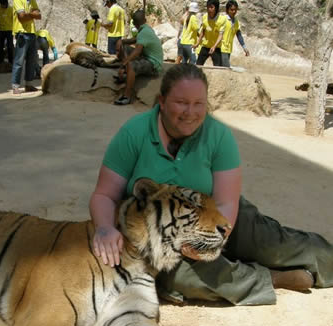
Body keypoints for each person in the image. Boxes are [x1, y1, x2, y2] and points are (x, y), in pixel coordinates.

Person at [89, 63, 333, 306]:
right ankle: (272, 279)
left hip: (218, 216)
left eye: (199, 104)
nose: (190, 112)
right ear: (162, 101)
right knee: (182, 278)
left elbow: (227, 202)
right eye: (181, 102)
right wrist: (105, 229)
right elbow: (104, 195)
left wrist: (213, 241)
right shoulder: (135, 132)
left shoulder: (218, 136)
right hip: (162, 234)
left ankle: (325, 260)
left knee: (275, 245)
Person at [113, 10, 163, 106]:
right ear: (145, 20)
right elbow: (134, 40)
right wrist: (121, 41)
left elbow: (137, 51)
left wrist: (124, 65)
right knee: (125, 48)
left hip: (154, 64)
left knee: (131, 65)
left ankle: (126, 96)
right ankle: (127, 74)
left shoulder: (143, 32)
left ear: (135, 23)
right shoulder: (146, 29)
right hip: (148, 58)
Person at [11, 0, 42, 95]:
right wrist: (33, 14)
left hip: (32, 33)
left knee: (31, 60)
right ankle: (15, 86)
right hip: (22, 34)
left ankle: (28, 84)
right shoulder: (17, 0)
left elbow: (39, 16)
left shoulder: (32, 1)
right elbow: (22, 17)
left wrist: (28, 14)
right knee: (19, 61)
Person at [194, 0, 225, 66]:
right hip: (206, 46)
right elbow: (203, 31)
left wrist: (214, 46)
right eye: (208, 7)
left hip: (216, 48)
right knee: (198, 65)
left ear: (216, 8)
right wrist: (197, 43)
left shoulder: (222, 19)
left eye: (211, 7)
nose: (209, 9)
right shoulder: (205, 17)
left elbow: (221, 35)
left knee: (218, 68)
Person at [220, 0, 249, 68]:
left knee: (222, 68)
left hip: (229, 48)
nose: (234, 12)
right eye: (231, 10)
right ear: (227, 10)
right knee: (226, 67)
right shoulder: (223, 19)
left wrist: (244, 48)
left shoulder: (236, 22)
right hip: (221, 47)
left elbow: (239, 35)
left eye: (235, 10)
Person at [0, 0, 14, 64]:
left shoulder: (11, 9)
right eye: (1, 5)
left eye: (4, 5)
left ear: (6, 3)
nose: (2, 6)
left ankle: (11, 62)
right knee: (0, 47)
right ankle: (1, 62)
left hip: (9, 31)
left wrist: (15, 31)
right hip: (1, 31)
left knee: (10, 47)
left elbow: (14, 21)